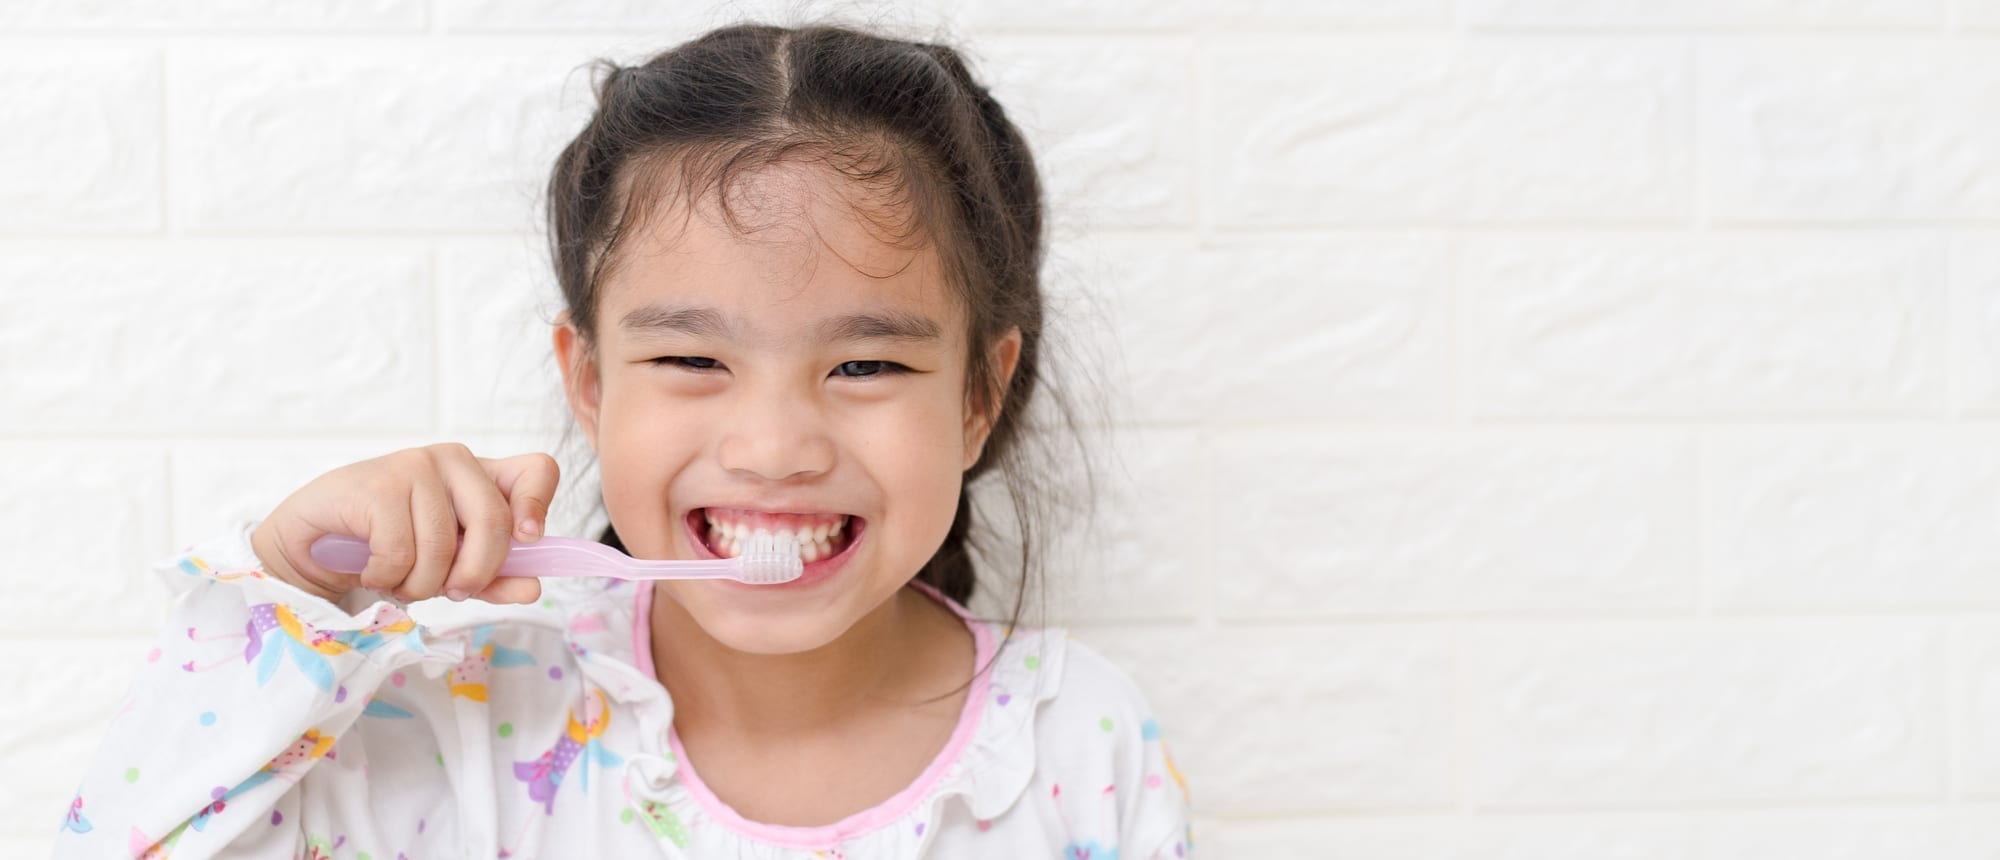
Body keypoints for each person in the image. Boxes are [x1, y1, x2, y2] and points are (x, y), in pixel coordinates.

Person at [57, 20, 1191, 860]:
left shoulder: (1077, 747)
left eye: (864, 364)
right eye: (694, 360)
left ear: (977, 398)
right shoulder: (465, 716)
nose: (773, 444)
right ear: (589, 381)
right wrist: (290, 598)